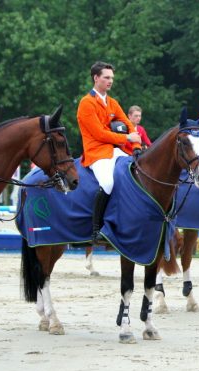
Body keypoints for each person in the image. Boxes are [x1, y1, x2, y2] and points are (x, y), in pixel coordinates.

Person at [77, 61, 141, 243]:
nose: (110, 81)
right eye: (106, 77)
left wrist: (136, 147)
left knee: (136, 172)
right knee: (107, 183)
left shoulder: (112, 102)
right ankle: (96, 229)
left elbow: (129, 125)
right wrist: (126, 139)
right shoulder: (86, 103)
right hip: (96, 152)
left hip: (116, 151)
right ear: (96, 78)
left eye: (112, 78)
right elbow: (98, 133)